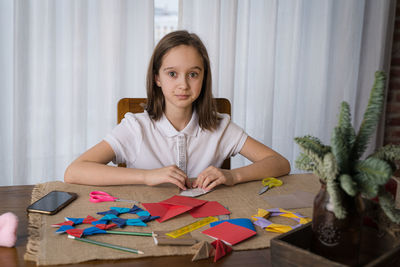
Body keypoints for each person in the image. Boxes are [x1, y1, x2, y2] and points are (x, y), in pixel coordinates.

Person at [64, 30, 290, 191]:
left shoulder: (220, 127)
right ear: (157, 78)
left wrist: (233, 175)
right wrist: (147, 176)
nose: (183, 84)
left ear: (203, 78)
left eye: (193, 74)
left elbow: (279, 163)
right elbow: (74, 172)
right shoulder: (135, 127)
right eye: (172, 74)